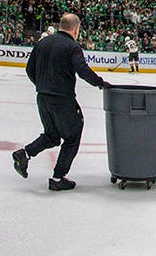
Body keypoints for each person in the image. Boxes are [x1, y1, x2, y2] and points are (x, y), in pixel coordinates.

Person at [12, 13, 109, 191]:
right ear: (76, 29)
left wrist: (42, 85)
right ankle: (58, 177)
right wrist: (101, 83)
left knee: (52, 135)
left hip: (42, 97)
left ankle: (24, 153)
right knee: (72, 136)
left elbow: (29, 69)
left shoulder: (43, 43)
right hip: (63, 100)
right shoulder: (72, 47)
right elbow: (83, 70)